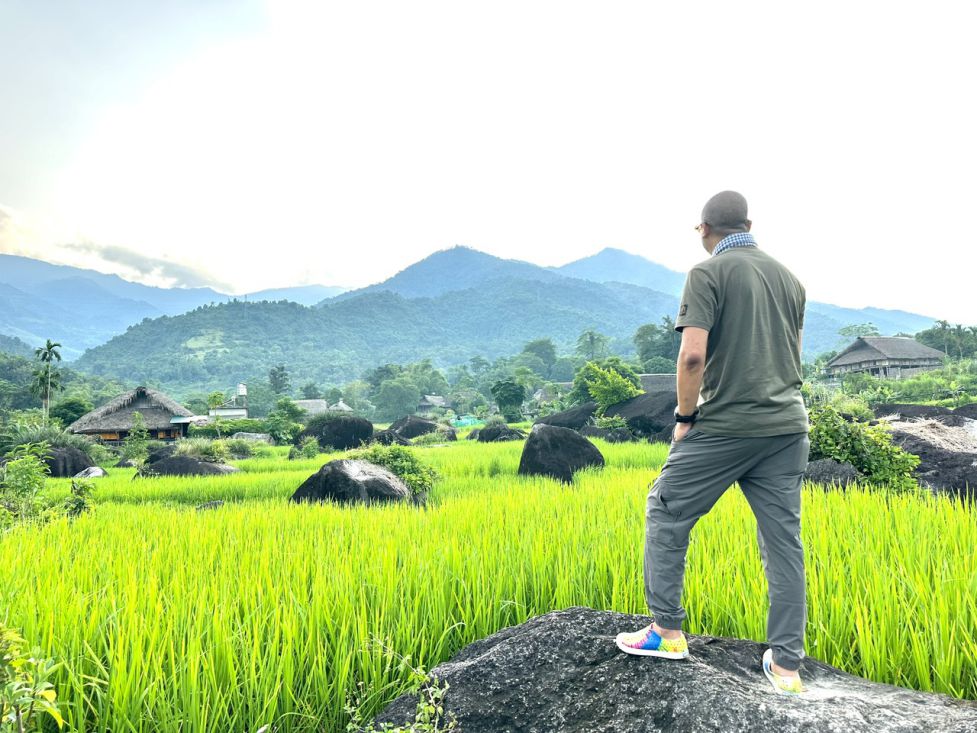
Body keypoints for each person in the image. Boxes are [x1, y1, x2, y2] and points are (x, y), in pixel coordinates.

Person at [615, 191, 810, 695]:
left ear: (704, 230)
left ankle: (666, 631)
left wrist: (684, 418)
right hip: (788, 427)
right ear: (749, 223)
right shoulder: (790, 279)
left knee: (665, 509)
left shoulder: (707, 274)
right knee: (783, 542)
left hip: (726, 426)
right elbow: (792, 354)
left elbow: (692, 357)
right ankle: (786, 667)